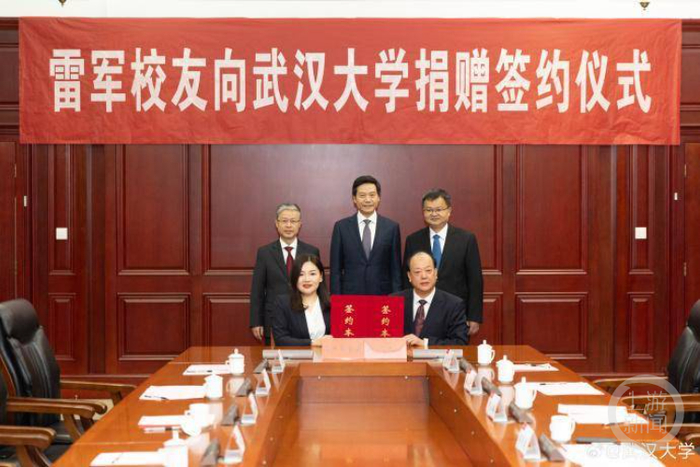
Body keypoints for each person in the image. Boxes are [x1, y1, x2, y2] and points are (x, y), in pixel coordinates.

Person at [403, 188, 483, 341]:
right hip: (423, 310)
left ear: (449, 211)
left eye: (439, 209)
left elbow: (475, 280)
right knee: (418, 348)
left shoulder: (466, 239)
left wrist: (474, 316)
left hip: (455, 312)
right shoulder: (413, 240)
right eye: (429, 210)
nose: (434, 214)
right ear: (423, 212)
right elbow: (406, 278)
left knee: (452, 350)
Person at [250, 203, 320, 344]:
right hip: (273, 318)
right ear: (277, 224)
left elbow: (317, 287)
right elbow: (257, 290)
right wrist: (256, 321)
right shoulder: (264, 253)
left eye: (293, 221)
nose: (289, 225)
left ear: (299, 224)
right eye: (284, 221)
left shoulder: (311, 251)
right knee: (276, 356)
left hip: (305, 316)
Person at [330, 175, 402, 295]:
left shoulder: (391, 228)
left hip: (382, 296)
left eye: (372, 195)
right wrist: (336, 299)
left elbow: (396, 270)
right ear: (354, 199)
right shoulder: (341, 227)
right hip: (350, 297)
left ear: (379, 198)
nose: (368, 200)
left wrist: (396, 298)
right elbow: (335, 270)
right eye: (362, 195)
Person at [396, 251, 468, 347]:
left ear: (436, 273)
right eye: (417, 272)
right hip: (402, 356)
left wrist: (425, 344)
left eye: (428, 270)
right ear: (409, 276)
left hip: (435, 357)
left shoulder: (454, 304)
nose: (424, 276)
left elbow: (460, 343)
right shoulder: (394, 301)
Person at [271, 254, 332, 346]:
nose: (307, 279)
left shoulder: (332, 303)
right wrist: (313, 343)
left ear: (321, 277)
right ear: (295, 278)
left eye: (312, 274)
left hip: (327, 354)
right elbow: (280, 339)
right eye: (301, 274)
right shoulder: (282, 303)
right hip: (296, 355)